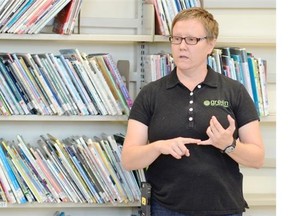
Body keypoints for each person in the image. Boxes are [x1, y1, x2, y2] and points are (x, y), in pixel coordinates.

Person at [121, 7, 265, 216]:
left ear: (210, 43)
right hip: (165, 208)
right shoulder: (150, 93)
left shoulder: (234, 91)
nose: (181, 47)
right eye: (176, 39)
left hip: (223, 208)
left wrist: (229, 145)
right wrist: (159, 147)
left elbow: (258, 158)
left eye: (191, 40)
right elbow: (128, 159)